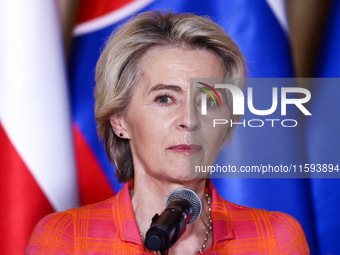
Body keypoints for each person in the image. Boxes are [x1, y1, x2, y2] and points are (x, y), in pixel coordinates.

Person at [25, 11, 309, 254]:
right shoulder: (66, 238)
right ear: (119, 119)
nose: (190, 120)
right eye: (164, 98)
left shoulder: (275, 238)